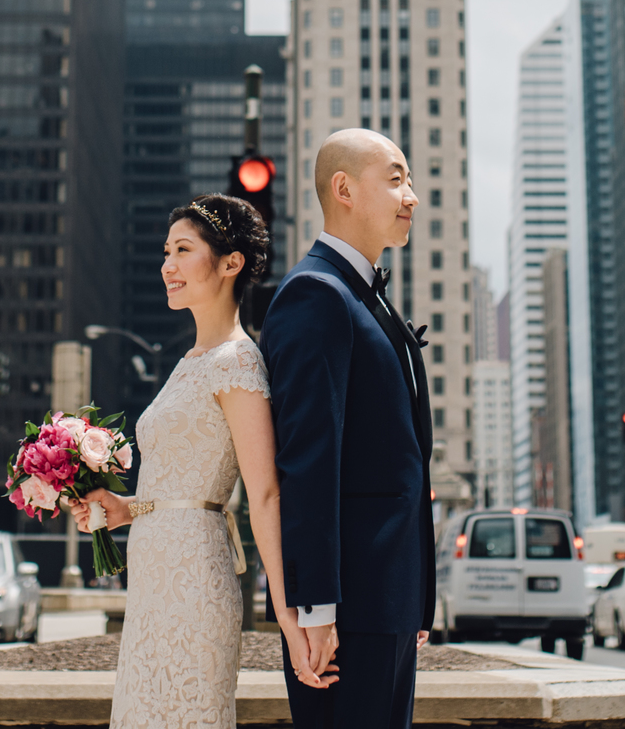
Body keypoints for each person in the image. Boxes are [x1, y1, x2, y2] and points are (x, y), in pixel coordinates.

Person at [74, 193, 290, 729]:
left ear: (230, 263)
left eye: (183, 250)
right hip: (151, 574)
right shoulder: (188, 361)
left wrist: (286, 609)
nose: (167, 266)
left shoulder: (238, 361)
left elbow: (263, 493)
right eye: (166, 252)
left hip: (196, 579)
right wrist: (124, 508)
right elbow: (179, 481)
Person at [264, 130, 434, 729]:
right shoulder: (317, 295)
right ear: (344, 189)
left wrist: (417, 599)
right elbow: (307, 463)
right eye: (395, 178)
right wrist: (312, 608)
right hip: (344, 612)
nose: (411, 195)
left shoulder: (368, 298)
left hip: (385, 598)